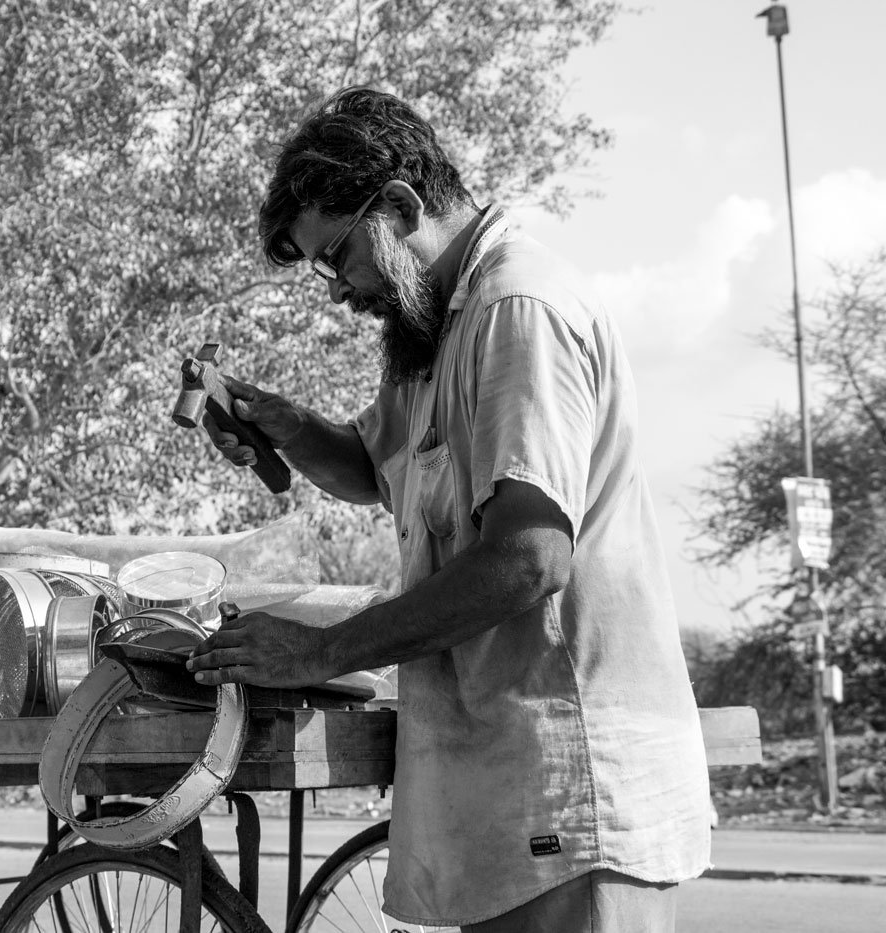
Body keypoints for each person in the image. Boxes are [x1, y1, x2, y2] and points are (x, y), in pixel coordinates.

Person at [186, 87, 711, 932]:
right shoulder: (434, 327)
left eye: (339, 256)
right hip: (507, 795)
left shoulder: (515, 310)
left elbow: (529, 558)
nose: (338, 289)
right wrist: (280, 424)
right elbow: (372, 466)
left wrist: (318, 651)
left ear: (398, 206)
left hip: (571, 794)